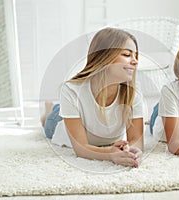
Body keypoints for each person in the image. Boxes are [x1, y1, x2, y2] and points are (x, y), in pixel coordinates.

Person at [41, 27, 144, 168]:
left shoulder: (134, 92)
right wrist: (109, 154)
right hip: (60, 124)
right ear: (104, 57)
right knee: (50, 120)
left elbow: (136, 140)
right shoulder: (71, 90)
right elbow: (81, 148)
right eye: (127, 54)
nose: (135, 61)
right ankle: (48, 111)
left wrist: (133, 151)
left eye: (136, 56)